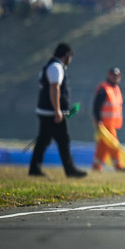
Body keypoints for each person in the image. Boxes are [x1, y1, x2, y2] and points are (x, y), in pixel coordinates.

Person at [28, 43, 87, 178]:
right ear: (66, 55)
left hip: (45, 111)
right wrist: (58, 110)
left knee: (43, 140)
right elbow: (55, 88)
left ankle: (34, 168)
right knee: (63, 140)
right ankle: (70, 170)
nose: (70, 60)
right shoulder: (56, 67)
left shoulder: (49, 66)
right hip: (52, 112)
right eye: (70, 57)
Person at [91, 67, 125, 172]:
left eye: (118, 76)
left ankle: (96, 166)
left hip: (112, 123)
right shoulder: (104, 89)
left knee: (103, 146)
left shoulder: (116, 89)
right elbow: (96, 106)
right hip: (104, 124)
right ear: (109, 75)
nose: (116, 77)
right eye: (114, 75)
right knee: (114, 144)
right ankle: (118, 166)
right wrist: (98, 120)